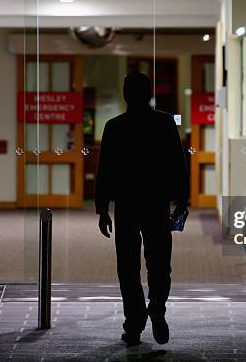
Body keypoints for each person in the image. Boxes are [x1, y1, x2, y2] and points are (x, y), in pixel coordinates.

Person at [95, 71, 189, 346]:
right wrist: (182, 198)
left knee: (128, 266)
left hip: (126, 205)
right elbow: (178, 164)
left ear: (126, 95)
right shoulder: (164, 124)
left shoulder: (115, 126)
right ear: (149, 94)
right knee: (160, 264)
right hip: (156, 203)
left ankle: (134, 323)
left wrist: (102, 209)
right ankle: (157, 310)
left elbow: (105, 171)